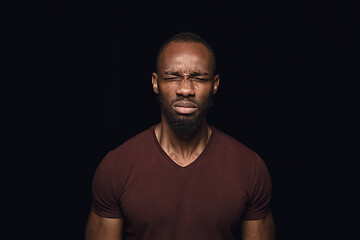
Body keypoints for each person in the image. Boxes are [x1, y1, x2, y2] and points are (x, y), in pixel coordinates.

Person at [85, 32, 275, 240]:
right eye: (173, 77)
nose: (185, 89)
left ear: (215, 84)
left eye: (199, 78)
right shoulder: (116, 166)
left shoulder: (249, 168)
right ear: (156, 83)